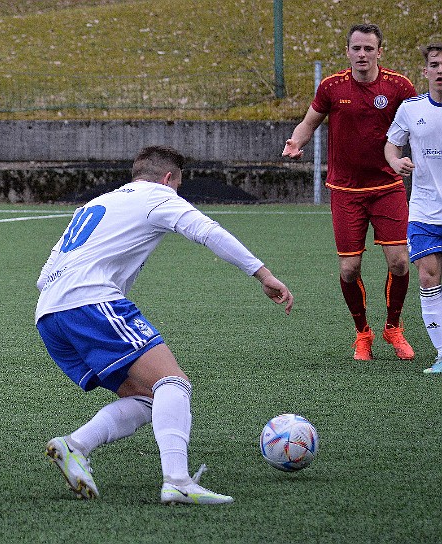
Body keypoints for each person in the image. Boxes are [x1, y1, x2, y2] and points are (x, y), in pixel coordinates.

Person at [35, 145, 294, 505]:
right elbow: (208, 231)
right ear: (169, 178)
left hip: (49, 314)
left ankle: (74, 445)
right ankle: (178, 481)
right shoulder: (157, 195)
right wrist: (263, 274)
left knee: (147, 397)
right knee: (173, 383)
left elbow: (44, 274)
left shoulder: (95, 204)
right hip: (91, 303)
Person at [283, 23, 417, 362]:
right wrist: (296, 141)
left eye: (368, 49)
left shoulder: (399, 86)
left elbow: (420, 126)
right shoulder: (331, 86)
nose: (362, 54)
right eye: (356, 48)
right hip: (346, 191)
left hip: (388, 187)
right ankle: (363, 334)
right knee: (348, 269)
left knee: (400, 263)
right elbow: (310, 121)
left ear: (379, 52)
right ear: (347, 52)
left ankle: (393, 327)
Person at [384, 41, 442, 373]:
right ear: (426, 71)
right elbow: (391, 147)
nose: (440, 70)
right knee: (428, 276)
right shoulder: (410, 108)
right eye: (434, 65)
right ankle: (441, 353)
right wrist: (396, 163)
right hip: (423, 211)